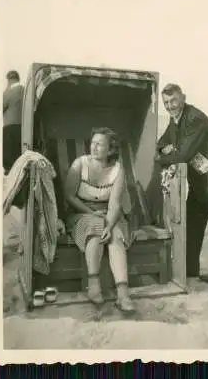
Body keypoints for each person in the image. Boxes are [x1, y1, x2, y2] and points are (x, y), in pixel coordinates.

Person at [155, 83, 208, 283]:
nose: (170, 106)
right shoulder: (175, 120)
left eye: (174, 100)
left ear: (183, 98)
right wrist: (164, 150)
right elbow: (160, 144)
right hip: (199, 186)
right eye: (166, 102)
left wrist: (162, 158)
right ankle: (189, 269)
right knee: (191, 227)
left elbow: (183, 154)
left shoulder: (195, 118)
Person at [64, 127, 135, 313]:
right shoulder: (79, 164)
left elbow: (115, 204)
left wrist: (110, 224)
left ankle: (123, 294)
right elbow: (69, 196)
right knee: (95, 231)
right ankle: (94, 284)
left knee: (115, 236)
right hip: (81, 212)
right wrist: (91, 212)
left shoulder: (118, 170)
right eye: (92, 143)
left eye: (99, 144)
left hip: (109, 213)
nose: (94, 147)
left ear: (110, 149)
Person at [3, 70, 24, 175]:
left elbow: (1, 108)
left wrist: (7, 89)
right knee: (18, 155)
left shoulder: (8, 92)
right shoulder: (24, 90)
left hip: (10, 127)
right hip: (23, 127)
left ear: (9, 80)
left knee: (9, 161)